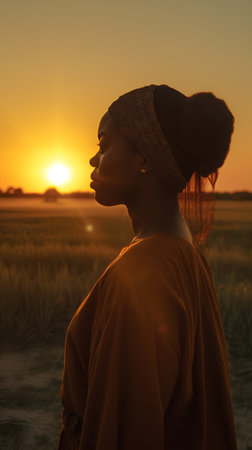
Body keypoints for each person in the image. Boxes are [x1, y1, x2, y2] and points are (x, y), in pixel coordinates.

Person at [57, 84, 238, 449]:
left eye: (104, 144)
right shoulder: (185, 254)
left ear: (145, 157)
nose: (94, 160)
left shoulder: (143, 274)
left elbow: (125, 431)